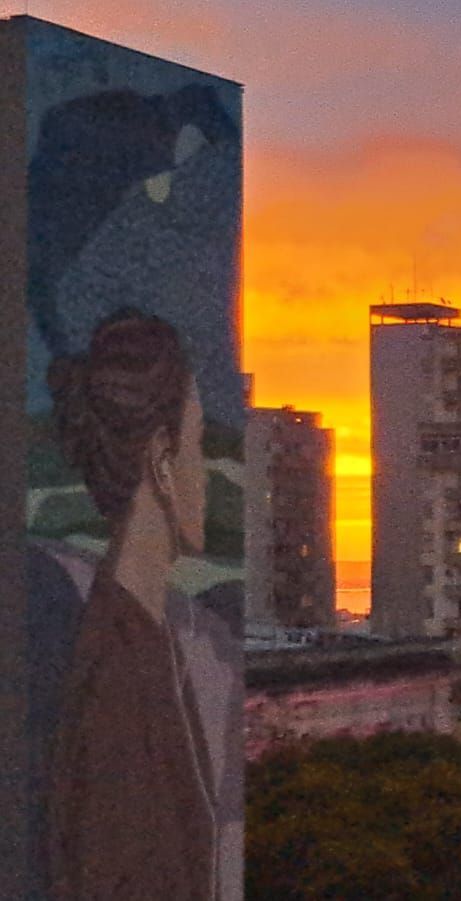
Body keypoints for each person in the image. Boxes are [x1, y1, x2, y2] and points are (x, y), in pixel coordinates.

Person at [45, 309, 218, 900]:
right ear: (163, 462)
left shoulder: (148, 635)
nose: (208, 475)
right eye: (199, 445)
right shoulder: (119, 668)